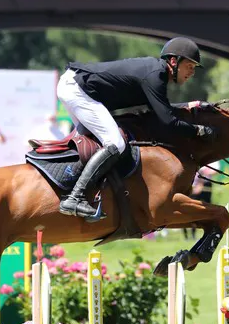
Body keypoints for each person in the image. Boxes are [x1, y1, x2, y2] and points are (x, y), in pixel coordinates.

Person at [56, 37, 214, 219]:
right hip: (77, 89)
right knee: (116, 143)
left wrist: (190, 104)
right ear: (173, 61)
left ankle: (77, 190)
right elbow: (169, 122)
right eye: (190, 66)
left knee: (95, 144)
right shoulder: (156, 75)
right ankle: (75, 197)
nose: (192, 72)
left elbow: (162, 109)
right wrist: (199, 131)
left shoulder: (155, 73)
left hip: (74, 86)